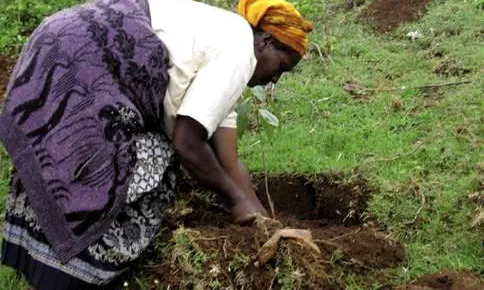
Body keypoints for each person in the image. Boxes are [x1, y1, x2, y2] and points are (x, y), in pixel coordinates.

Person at [0, 0, 313, 288]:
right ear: (266, 42)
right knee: (141, 164)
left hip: (61, 40)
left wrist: (261, 219)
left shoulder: (227, 38)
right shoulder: (239, 52)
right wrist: (236, 202)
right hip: (83, 60)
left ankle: (43, 262)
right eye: (281, 67)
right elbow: (187, 144)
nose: (275, 80)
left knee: (58, 159)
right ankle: (75, 274)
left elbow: (229, 159)